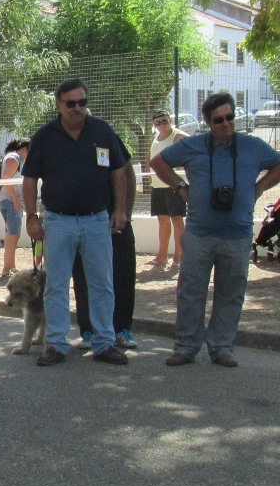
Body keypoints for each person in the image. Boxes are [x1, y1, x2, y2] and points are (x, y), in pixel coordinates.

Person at [150, 92, 280, 368]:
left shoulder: (252, 146)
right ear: (208, 122)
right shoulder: (193, 145)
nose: (226, 124)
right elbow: (158, 163)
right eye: (219, 120)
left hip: (238, 233)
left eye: (230, 117)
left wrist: (259, 188)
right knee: (190, 292)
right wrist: (181, 188)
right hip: (198, 233)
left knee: (231, 292)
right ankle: (186, 347)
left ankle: (221, 347)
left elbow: (278, 164)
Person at [22, 78, 128, 366]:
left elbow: (119, 171)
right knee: (56, 285)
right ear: (59, 106)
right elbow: (29, 178)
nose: (78, 108)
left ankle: (104, 343)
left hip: (97, 221)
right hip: (58, 222)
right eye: (71, 103)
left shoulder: (102, 131)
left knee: (102, 284)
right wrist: (31, 217)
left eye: (82, 102)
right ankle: (55, 344)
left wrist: (120, 210)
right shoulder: (45, 136)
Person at [73, 143, 138, 350]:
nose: (77, 109)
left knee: (122, 274)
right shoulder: (61, 140)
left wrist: (125, 213)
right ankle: (89, 332)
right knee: (83, 277)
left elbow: (129, 176)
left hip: (114, 220)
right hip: (78, 222)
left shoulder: (107, 137)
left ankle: (121, 330)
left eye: (82, 107)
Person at [148, 110, 189, 266]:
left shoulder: (179, 136)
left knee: (177, 219)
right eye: (158, 122)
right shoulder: (155, 138)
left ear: (170, 120)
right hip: (157, 185)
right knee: (162, 219)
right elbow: (150, 159)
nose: (162, 125)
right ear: (154, 124)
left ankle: (179, 257)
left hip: (173, 185)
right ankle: (162, 256)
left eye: (164, 121)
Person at [0, 138, 29, 278]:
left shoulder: (14, 159)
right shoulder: (14, 158)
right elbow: (6, 178)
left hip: (8, 201)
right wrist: (16, 200)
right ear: (24, 149)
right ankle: (6, 268)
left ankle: (11, 266)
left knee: (10, 234)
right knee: (13, 235)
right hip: (10, 201)